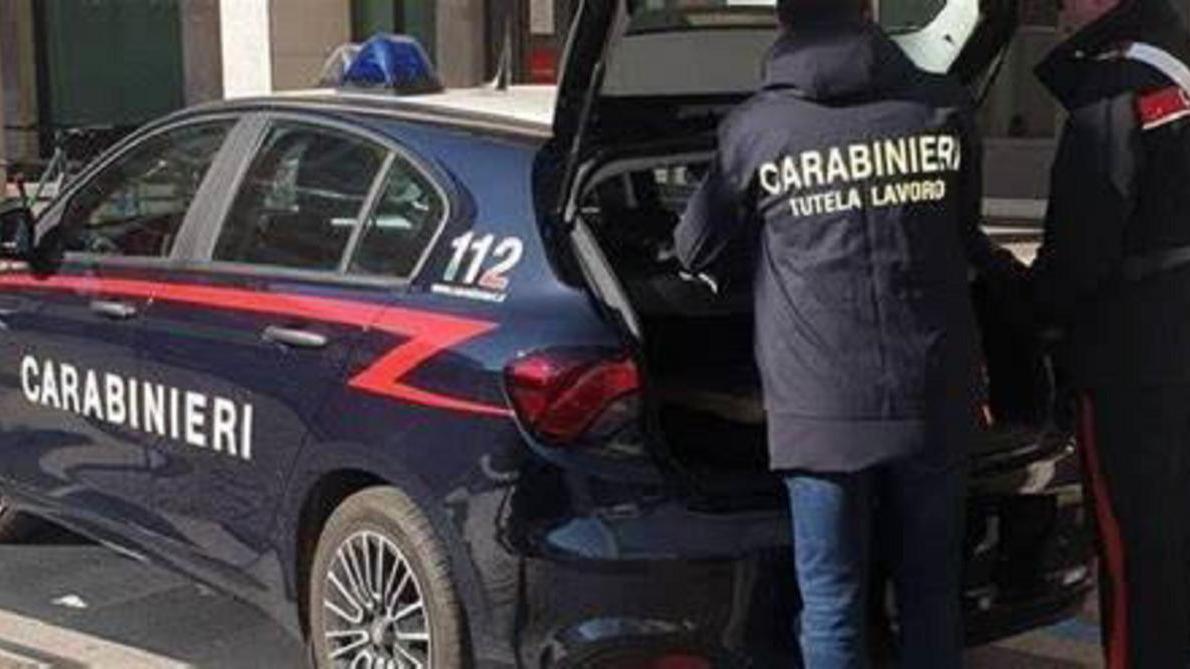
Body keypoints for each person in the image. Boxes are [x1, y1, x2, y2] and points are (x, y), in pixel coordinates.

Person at [672, 0, 1017, 666]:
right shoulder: (941, 108)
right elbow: (961, 234)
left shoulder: (757, 129)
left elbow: (696, 248)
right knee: (930, 595)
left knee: (832, 603)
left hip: (820, 408)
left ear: (782, 20)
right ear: (870, 11)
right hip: (932, 393)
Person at [1031, 0, 1190, 665]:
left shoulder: (1117, 83)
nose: (1063, 7)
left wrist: (1028, 311)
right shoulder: (1175, 66)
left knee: (1137, 560)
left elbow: (1082, 249)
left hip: (1137, 363)